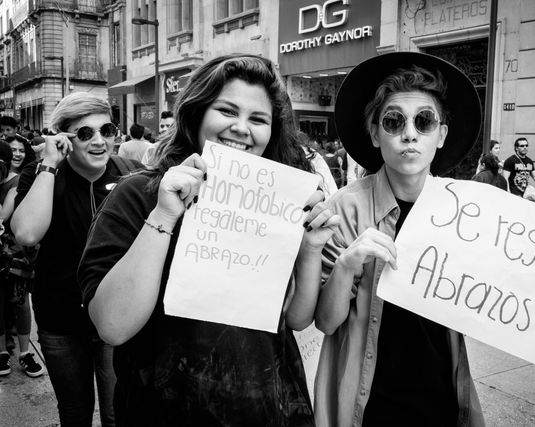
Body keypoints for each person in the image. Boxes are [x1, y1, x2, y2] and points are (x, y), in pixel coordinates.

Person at [313, 52, 535, 427]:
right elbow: (326, 321)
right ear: (375, 133)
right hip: (367, 403)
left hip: (443, 399)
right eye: (393, 121)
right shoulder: (346, 208)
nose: (409, 133)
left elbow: (513, 297)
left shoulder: (471, 212)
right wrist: (347, 263)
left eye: (424, 122)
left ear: (441, 135)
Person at [77, 54, 339, 426]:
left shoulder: (277, 201)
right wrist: (164, 216)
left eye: (258, 119)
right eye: (227, 111)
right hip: (166, 412)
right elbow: (112, 326)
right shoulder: (140, 194)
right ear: (197, 113)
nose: (241, 128)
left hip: (269, 408)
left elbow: (295, 319)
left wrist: (310, 249)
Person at [10, 92, 142, 426]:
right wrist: (49, 165)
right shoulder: (41, 175)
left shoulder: (133, 175)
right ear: (65, 138)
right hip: (61, 319)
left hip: (118, 317)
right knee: (75, 413)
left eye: (107, 130)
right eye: (85, 133)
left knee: (119, 415)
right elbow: (26, 234)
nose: (100, 141)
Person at [0, 136, 42, 377]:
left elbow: (5, 215)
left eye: (20, 150)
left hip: (16, 250)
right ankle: (4, 352)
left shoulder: (21, 179)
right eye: (11, 150)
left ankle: (25, 353)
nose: (16, 154)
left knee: (19, 299)